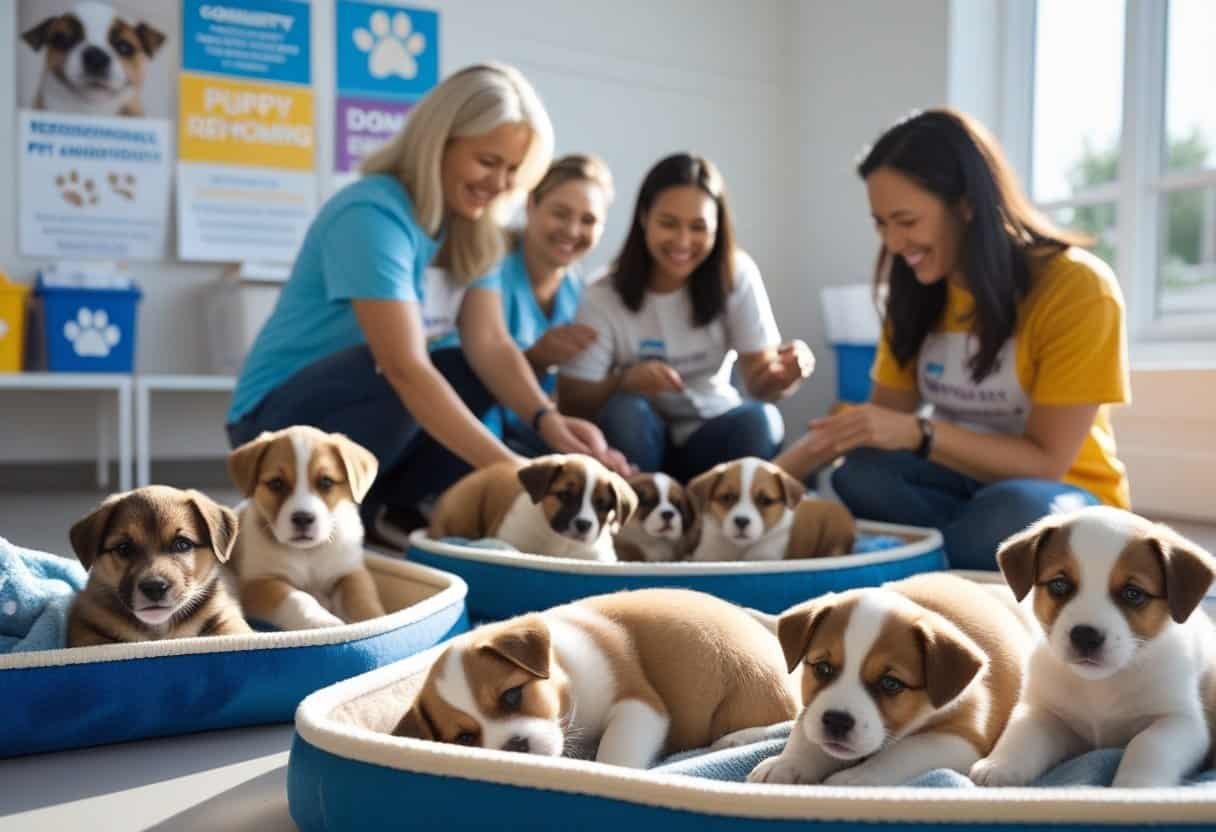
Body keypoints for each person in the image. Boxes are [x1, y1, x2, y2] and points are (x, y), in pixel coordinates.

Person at [225, 64, 626, 544]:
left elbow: (492, 345)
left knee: (465, 366)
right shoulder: (371, 214)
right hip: (276, 417)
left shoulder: (475, 230)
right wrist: (518, 475)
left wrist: (548, 421)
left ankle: (386, 509)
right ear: (440, 142)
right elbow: (404, 367)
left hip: (376, 410)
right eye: (488, 161)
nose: (500, 183)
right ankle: (342, 504)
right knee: (399, 369)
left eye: (513, 170)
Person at [775, 108, 1130, 570]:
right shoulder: (917, 294)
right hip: (961, 488)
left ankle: (924, 562)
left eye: (906, 220)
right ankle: (960, 557)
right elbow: (868, 425)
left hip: (1058, 494)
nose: (894, 243)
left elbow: (1046, 463)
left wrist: (920, 432)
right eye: (880, 223)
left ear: (966, 205)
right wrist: (763, 478)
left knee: (1014, 511)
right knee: (861, 473)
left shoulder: (1077, 288)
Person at [558, 153, 814, 481]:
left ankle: (726, 517)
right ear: (644, 217)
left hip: (712, 427)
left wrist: (786, 375)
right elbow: (572, 402)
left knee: (762, 421)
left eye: (698, 227)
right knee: (625, 410)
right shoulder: (602, 294)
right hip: (638, 440)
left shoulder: (736, 275)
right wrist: (623, 381)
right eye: (668, 223)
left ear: (718, 228)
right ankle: (642, 511)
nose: (682, 241)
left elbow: (761, 385)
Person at [484, 153, 615, 456]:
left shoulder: (581, 290)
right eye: (560, 213)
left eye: (588, 220)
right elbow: (469, 369)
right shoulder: (489, 270)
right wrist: (536, 357)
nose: (572, 231)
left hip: (538, 429)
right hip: (482, 425)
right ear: (530, 205)